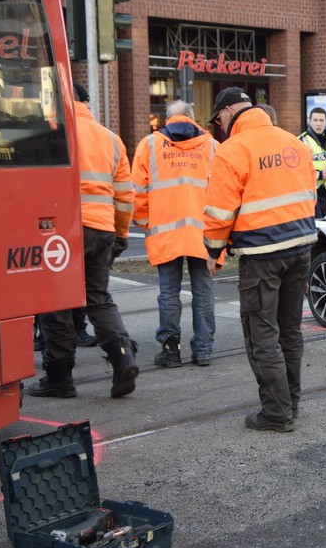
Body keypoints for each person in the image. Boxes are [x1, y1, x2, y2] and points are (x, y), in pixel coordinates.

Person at [204, 87, 317, 432]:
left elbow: (219, 213)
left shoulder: (231, 151)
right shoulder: (294, 143)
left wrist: (213, 252)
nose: (219, 127)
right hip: (301, 246)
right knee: (289, 330)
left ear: (225, 113)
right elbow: (310, 193)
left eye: (218, 121)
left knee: (262, 335)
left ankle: (276, 413)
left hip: (261, 254)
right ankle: (290, 403)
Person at [26, 83, 139, 399]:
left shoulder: (47, 131)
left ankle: (59, 378)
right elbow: (125, 196)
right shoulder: (110, 139)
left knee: (56, 303)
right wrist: (120, 234)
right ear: (84, 102)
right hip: (100, 229)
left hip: (59, 231)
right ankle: (123, 358)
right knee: (98, 297)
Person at [132, 100, 218, 368]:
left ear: (167, 118)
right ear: (193, 118)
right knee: (203, 292)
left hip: (165, 231)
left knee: (168, 292)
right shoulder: (212, 146)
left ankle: (171, 350)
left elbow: (136, 191)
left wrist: (146, 222)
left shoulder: (149, 145)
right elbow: (223, 191)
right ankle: (203, 350)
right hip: (203, 233)